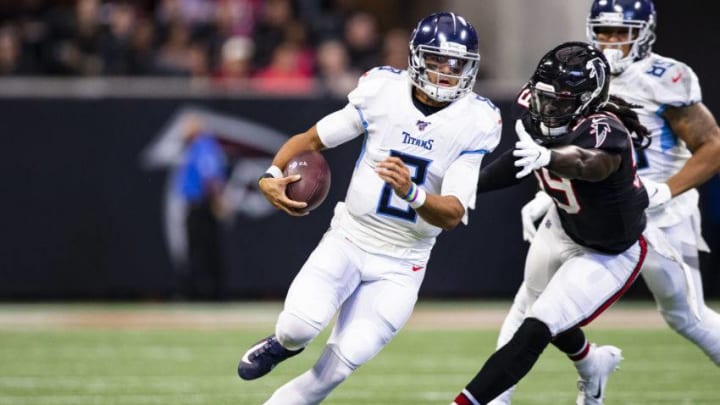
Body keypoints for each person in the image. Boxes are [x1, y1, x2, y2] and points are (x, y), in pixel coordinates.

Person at [237, 12, 502, 404]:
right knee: (297, 328)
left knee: (339, 365)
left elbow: (452, 213)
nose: (447, 72)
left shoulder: (476, 120)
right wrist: (270, 174)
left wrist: (412, 192)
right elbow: (311, 140)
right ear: (416, 58)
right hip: (349, 238)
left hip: (403, 262)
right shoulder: (383, 91)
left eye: (457, 64)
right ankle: (281, 344)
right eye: (437, 60)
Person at [508, 1, 720, 402]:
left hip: (662, 214)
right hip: (600, 206)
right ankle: (503, 394)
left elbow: (713, 147)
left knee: (686, 316)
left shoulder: (666, 77)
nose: (610, 42)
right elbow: (573, 147)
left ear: (645, 32)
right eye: (603, 31)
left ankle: (590, 369)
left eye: (621, 32)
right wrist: (546, 192)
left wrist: (667, 189)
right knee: (531, 298)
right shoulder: (583, 72)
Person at [449, 41, 655, 405]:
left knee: (539, 324)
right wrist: (464, 188)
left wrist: (549, 156)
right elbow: (520, 160)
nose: (547, 108)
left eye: (560, 101)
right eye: (545, 97)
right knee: (528, 307)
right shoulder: (536, 108)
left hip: (609, 251)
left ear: (587, 100)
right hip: (563, 225)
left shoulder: (607, 130)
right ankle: (590, 363)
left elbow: (586, 163)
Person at [172, 116, 230, 300]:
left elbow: (210, 177)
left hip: (202, 205)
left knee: (202, 249)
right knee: (202, 248)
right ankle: (203, 290)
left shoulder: (203, 145)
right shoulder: (196, 146)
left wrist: (217, 201)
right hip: (199, 204)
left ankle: (204, 292)